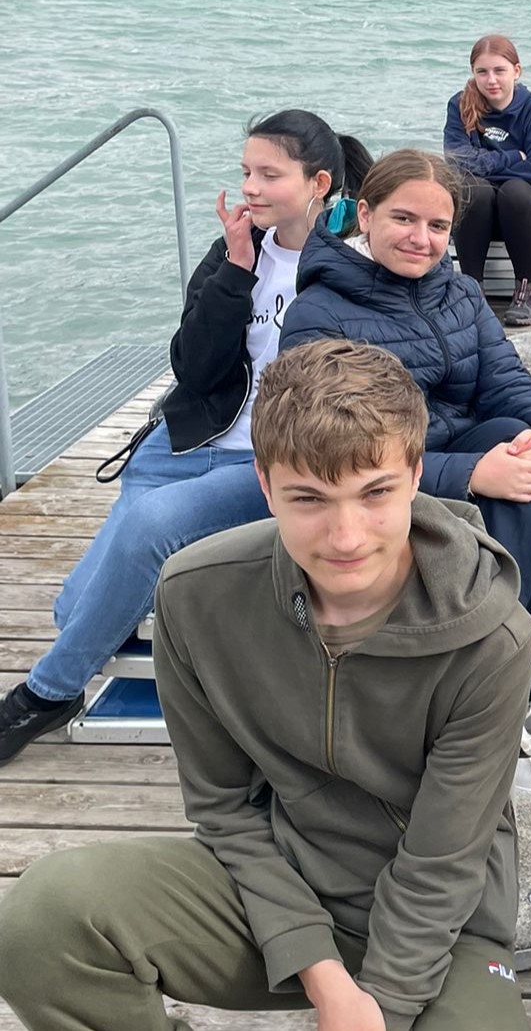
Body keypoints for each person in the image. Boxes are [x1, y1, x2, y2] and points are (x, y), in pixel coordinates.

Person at [0, 339, 531, 1030]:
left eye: (375, 492)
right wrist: (322, 974)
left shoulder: (494, 637)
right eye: (308, 498)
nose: (346, 536)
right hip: (273, 882)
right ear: (264, 483)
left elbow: (443, 863)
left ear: (415, 474)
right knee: (42, 923)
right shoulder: (195, 596)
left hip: (444, 922)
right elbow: (222, 808)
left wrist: (380, 1003)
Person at [0, 110, 370, 765]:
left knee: (149, 532)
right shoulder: (236, 248)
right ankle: (118, 618)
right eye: (245, 172)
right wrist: (236, 269)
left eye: (268, 175)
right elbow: (192, 368)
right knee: (72, 608)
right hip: (193, 440)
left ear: (318, 183)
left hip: (270, 461)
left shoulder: (350, 266)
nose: (249, 187)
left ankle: (45, 695)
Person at [279, 150, 531, 797]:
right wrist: (470, 474)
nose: (422, 239)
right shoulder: (319, 313)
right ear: (365, 215)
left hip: (455, 461)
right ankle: (485, 726)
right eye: (404, 219)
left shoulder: (460, 293)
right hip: (371, 492)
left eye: (439, 226)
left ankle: (508, 711)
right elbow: (332, 449)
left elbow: (507, 379)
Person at [442, 34, 531, 327]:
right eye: (482, 72)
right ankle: (473, 290)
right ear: (473, 73)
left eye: (499, 71)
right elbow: (457, 163)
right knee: (473, 189)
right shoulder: (459, 105)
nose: (491, 80)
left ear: (516, 71)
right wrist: (514, 157)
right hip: (478, 214)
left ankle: (527, 290)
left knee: (513, 192)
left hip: (527, 213)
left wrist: (487, 168)